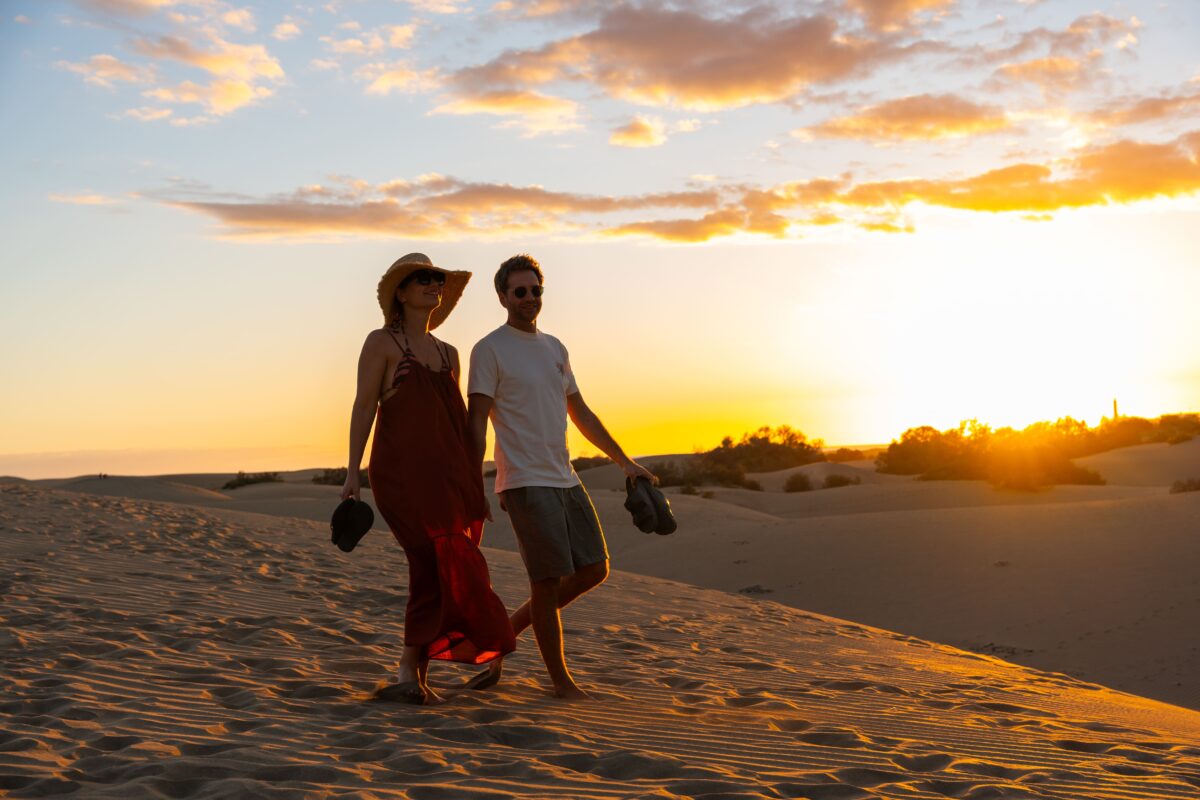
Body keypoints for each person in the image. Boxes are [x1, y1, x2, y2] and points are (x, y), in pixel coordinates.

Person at [466, 254, 655, 700]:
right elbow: (475, 422)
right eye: (520, 291)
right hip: (523, 480)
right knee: (546, 582)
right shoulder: (489, 349)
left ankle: (501, 639)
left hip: (564, 476)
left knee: (594, 568)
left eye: (536, 290)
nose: (530, 298)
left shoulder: (555, 348)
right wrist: (473, 482)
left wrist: (625, 462)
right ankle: (560, 683)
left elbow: (581, 410)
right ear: (502, 297)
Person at [342, 252, 515, 705]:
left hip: (449, 475)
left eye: (437, 279)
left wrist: (473, 486)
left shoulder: (448, 354)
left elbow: (457, 426)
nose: (433, 285)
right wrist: (352, 473)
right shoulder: (381, 343)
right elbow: (364, 407)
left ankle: (412, 676)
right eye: (423, 279)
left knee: (443, 568)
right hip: (401, 473)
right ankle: (407, 672)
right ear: (400, 292)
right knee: (428, 562)